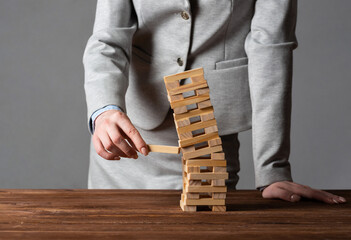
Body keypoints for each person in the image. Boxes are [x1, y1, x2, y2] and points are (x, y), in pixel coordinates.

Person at [83, 0, 346, 204]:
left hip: (210, 142)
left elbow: (271, 48)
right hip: (127, 139)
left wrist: (272, 170)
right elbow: (108, 39)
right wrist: (104, 109)